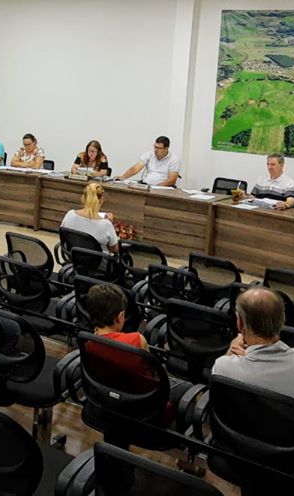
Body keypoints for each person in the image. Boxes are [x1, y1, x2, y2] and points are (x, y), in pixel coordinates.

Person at [212, 287, 294, 478]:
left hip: (251, 454)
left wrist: (230, 352)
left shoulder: (223, 367)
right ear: (283, 320)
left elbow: (222, 368)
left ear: (239, 323)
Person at [83, 283, 183, 425]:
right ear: (120, 316)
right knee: (186, 388)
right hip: (145, 401)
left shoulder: (87, 343)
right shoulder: (136, 339)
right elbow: (153, 371)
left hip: (108, 398)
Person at [60, 182, 119, 254]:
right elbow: (115, 250)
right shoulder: (106, 224)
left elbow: (63, 237)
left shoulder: (70, 215)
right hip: (99, 260)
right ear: (101, 200)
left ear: (83, 198)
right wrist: (110, 223)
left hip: (73, 257)